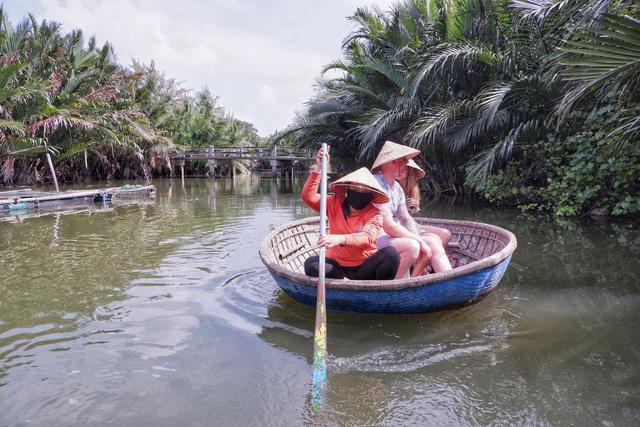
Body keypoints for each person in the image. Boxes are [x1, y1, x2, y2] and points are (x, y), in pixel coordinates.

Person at [302, 147, 400, 280]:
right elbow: (308, 197)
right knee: (310, 264)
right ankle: (341, 281)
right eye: (355, 188)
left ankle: (378, 292)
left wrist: (340, 239)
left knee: (391, 254)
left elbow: (367, 236)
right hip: (337, 266)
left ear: (371, 195)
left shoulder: (375, 213)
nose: (359, 193)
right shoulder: (333, 202)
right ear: (347, 190)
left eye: (364, 191)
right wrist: (318, 168)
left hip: (364, 266)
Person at [371, 141, 452, 277]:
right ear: (385, 164)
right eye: (397, 162)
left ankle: (449, 279)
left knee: (433, 241)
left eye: (404, 162)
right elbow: (389, 226)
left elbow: (406, 219)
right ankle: (403, 283)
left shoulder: (396, 188)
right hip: (372, 238)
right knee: (419, 243)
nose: (403, 166)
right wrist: (419, 240)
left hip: (389, 235)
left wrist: (419, 237)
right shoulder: (375, 183)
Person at [397, 158, 452, 247]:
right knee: (434, 239)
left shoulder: (412, 188)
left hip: (411, 224)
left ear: (409, 171)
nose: (400, 171)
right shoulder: (391, 187)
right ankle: (425, 255)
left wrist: (415, 205)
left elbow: (410, 214)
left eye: (403, 168)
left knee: (445, 234)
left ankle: (429, 257)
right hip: (400, 226)